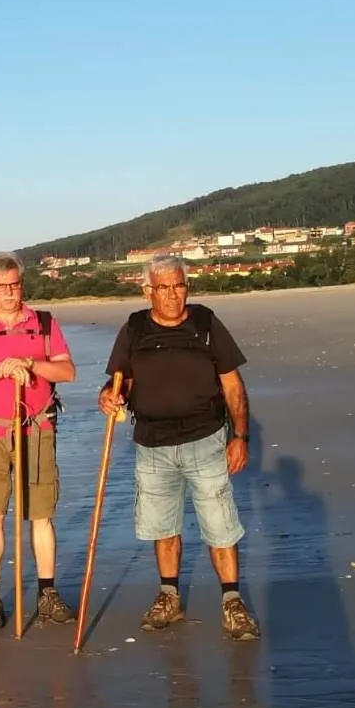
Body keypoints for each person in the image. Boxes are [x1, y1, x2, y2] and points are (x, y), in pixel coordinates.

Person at [97, 254, 261, 641]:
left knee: (220, 525)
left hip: (206, 440)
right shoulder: (135, 328)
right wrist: (108, 397)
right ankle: (169, 596)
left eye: (179, 286)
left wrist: (241, 437)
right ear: (147, 291)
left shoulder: (204, 322)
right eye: (164, 288)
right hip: (152, 444)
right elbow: (120, 383)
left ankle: (232, 602)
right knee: (162, 526)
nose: (173, 295)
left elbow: (233, 385)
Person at [0, 251, 78, 631]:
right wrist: (0, 370)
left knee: (41, 515)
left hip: (36, 429)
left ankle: (47, 592)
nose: (10, 293)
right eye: (2, 286)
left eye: (15, 285)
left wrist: (30, 364)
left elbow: (67, 371)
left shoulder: (43, 322)